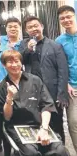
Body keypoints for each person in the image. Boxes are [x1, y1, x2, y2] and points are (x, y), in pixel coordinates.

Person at [0, 50, 68, 156]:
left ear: (21, 62)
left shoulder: (35, 80)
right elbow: (6, 117)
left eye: (17, 61)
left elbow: (47, 106)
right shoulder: (1, 88)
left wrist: (44, 128)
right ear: (4, 65)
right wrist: (9, 97)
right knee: (31, 152)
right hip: (16, 128)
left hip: (40, 125)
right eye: (10, 62)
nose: (14, 65)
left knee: (60, 151)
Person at [18, 16, 69, 143]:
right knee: (35, 122)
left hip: (52, 91)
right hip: (31, 90)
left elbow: (62, 70)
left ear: (42, 26)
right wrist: (28, 50)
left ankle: (59, 148)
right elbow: (19, 61)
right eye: (30, 27)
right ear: (26, 30)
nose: (33, 29)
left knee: (56, 124)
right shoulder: (24, 45)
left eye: (36, 26)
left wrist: (62, 94)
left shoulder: (55, 45)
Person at [56, 5, 77, 151]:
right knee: (73, 122)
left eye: (68, 16)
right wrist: (67, 84)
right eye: (62, 18)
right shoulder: (59, 41)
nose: (66, 20)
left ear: (74, 16)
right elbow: (59, 66)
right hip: (72, 87)